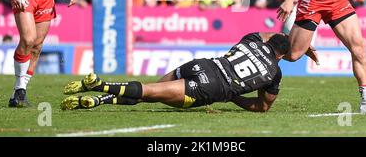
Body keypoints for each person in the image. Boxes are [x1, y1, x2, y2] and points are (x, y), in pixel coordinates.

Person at [60, 32, 297, 112]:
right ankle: (101, 86)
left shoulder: (252, 39)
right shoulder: (274, 73)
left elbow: (267, 37)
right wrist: (233, 96)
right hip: (210, 87)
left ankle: (99, 99)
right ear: (282, 56)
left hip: (203, 64)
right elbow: (262, 107)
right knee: (149, 93)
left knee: (150, 91)